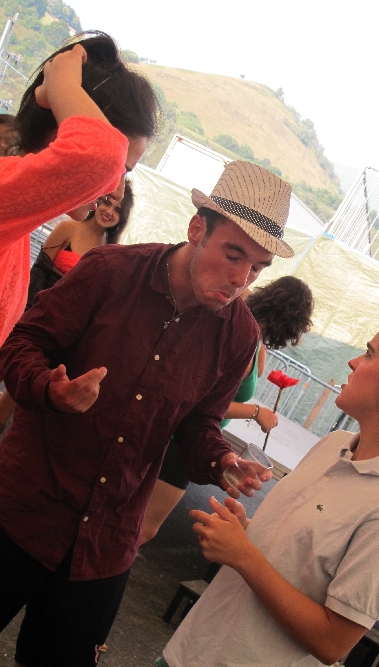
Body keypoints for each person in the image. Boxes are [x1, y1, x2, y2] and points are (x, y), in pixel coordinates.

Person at [0, 160, 294, 667]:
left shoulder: (239, 335)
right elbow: (23, 343)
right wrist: (51, 389)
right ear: (197, 228)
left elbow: (198, 424)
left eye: (257, 268)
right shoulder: (110, 272)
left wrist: (222, 461)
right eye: (233, 255)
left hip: (106, 542)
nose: (241, 279)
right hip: (23, 507)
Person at [158, 305, 379, 667]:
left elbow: (333, 641)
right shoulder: (334, 444)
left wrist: (244, 556)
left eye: (368, 354)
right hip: (192, 649)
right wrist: (245, 534)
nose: (353, 362)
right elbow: (296, 563)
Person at [0, 31, 161, 345]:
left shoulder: (18, 217)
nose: (116, 189)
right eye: (119, 169)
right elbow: (100, 153)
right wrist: (61, 83)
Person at [141, 276, 314, 544]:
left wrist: (262, 341)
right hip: (184, 439)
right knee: (146, 526)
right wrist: (256, 412)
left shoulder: (251, 337)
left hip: (186, 436)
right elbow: (202, 404)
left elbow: (256, 365)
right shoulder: (243, 341)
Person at [0, 182, 135, 434]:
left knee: (19, 389)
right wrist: (25, 313)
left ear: (123, 218)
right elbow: (38, 270)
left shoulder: (110, 251)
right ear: (98, 201)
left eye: (118, 210)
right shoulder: (68, 227)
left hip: (63, 329)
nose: (109, 211)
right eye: (107, 203)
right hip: (32, 312)